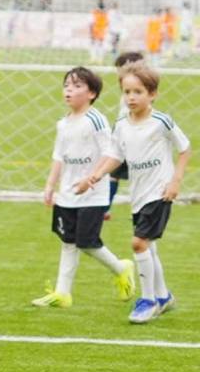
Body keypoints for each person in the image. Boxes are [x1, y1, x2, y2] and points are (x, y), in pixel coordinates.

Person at [75, 64, 191, 324]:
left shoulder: (161, 122)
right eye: (127, 92)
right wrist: (94, 176)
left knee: (138, 243)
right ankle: (163, 296)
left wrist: (175, 181)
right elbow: (115, 155)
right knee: (148, 246)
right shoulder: (121, 125)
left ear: (152, 94)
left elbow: (185, 148)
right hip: (138, 194)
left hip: (159, 192)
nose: (131, 97)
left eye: (138, 92)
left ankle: (148, 301)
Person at [32, 67, 135, 308]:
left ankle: (121, 268)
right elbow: (59, 156)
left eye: (77, 86)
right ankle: (62, 293)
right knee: (68, 242)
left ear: (92, 94)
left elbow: (112, 153)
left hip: (93, 195)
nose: (69, 90)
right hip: (67, 194)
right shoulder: (63, 123)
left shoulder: (95, 120)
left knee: (86, 242)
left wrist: (91, 179)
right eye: (67, 85)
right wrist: (50, 185)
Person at [105, 51, 145, 220]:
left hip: (133, 134)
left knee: (137, 173)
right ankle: (106, 208)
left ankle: (139, 210)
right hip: (124, 133)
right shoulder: (130, 88)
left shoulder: (140, 89)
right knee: (114, 173)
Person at [89, 0, 108, 64]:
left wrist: (91, 32)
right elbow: (107, 24)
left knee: (95, 45)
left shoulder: (95, 13)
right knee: (99, 45)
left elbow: (91, 23)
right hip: (100, 31)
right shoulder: (105, 13)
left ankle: (95, 59)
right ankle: (98, 59)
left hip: (96, 31)